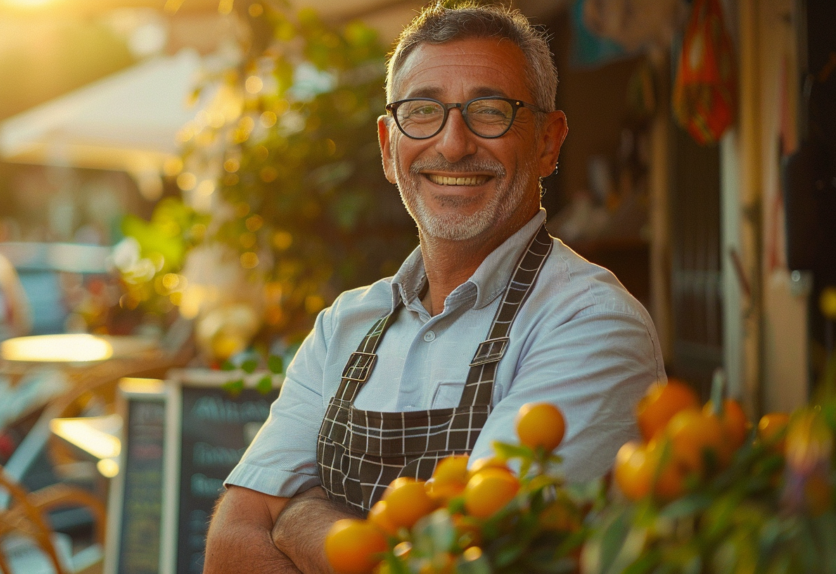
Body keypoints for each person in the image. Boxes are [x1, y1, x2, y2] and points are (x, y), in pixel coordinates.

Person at [204, 3, 665, 572]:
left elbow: (472, 563)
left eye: (490, 111)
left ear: (549, 141)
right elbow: (232, 544)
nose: (452, 144)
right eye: (422, 112)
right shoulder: (342, 327)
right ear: (387, 147)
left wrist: (301, 519)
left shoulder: (591, 324)